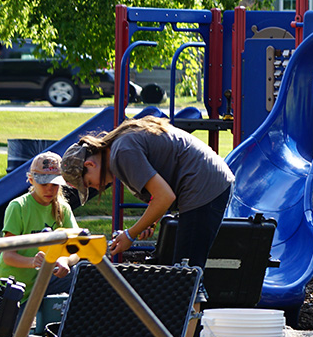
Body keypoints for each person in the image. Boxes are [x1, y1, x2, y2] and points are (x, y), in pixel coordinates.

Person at [60, 116, 234, 271]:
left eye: (89, 183)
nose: (97, 188)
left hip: (202, 188)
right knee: (184, 268)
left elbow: (165, 196)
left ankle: (192, 307)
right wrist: (148, 222)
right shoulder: (120, 146)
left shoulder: (121, 153)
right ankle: (190, 306)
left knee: (187, 270)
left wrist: (130, 234)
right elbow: (161, 189)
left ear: (90, 165)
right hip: (209, 182)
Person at [0, 152, 81, 297]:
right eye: (43, 183)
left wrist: (65, 260)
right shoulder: (18, 207)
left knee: (84, 275)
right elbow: (8, 256)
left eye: (54, 184)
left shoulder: (63, 208)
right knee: (14, 320)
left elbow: (77, 247)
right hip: (13, 285)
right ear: (31, 180)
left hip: (44, 281)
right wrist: (34, 262)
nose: (49, 189)